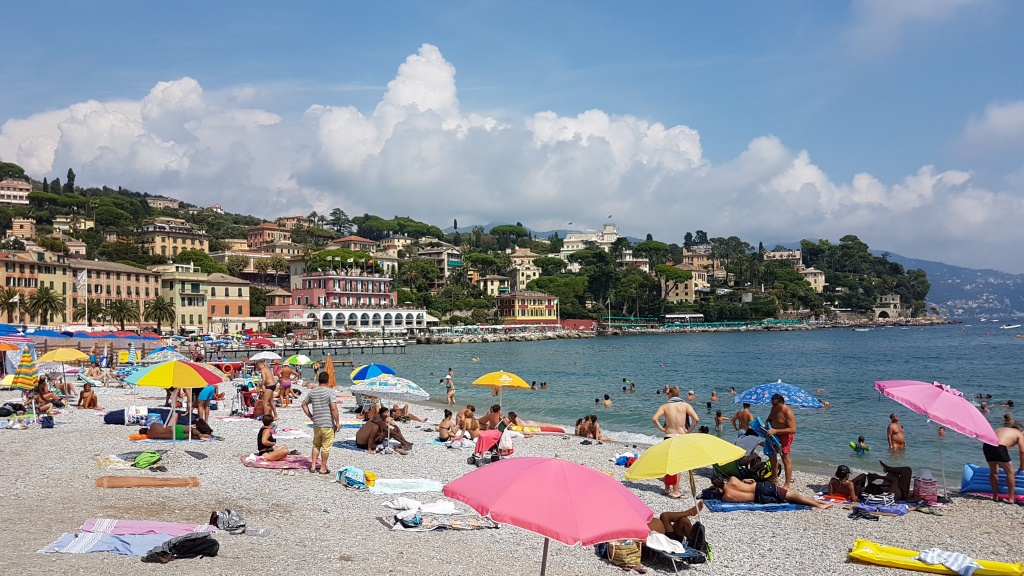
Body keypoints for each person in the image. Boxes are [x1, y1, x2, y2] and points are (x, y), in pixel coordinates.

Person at [652, 386, 699, 498]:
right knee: (677, 465)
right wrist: (688, 431)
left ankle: (667, 489)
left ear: (670, 395)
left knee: (668, 463)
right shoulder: (685, 405)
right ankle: (675, 491)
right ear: (679, 394)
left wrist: (662, 429)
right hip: (680, 436)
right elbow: (696, 419)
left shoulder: (665, 406)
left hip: (668, 435)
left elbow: (654, 419)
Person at [710, 476, 832, 509]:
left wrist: (720, 492)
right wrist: (744, 481)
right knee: (792, 495)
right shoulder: (732, 479)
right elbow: (738, 485)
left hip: (760, 499)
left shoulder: (726, 497)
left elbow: (734, 493)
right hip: (762, 487)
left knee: (789, 499)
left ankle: (817, 503)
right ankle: (819, 504)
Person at [302, 372, 339, 474]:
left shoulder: (312, 392)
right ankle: (323, 468)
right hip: (328, 424)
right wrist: (337, 422)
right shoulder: (330, 392)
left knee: (316, 445)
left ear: (319, 380)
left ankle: (313, 466)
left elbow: (303, 404)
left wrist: (310, 416)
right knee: (326, 447)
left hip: (317, 424)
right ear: (328, 380)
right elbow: (334, 408)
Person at [983, 426, 1024, 503]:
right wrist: (1022, 466)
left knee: (994, 472)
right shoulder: (1019, 433)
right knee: (1010, 472)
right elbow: (1022, 451)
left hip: (987, 445)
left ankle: (995, 496)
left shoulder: (1000, 429)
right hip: (1000, 446)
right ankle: (1012, 498)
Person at [766, 393, 796, 490]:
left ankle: (787, 484)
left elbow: (793, 429)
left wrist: (776, 431)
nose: (773, 406)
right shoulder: (773, 409)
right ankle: (775, 478)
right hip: (773, 434)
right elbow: (770, 418)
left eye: (775, 404)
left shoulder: (787, 412)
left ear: (782, 402)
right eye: (772, 404)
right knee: (772, 455)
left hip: (785, 435)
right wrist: (766, 423)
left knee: (785, 459)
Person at [140, 410, 210, 440]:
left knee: (191, 436)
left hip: (176, 437)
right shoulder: (153, 425)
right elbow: (163, 426)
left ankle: (200, 437)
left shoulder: (150, 437)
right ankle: (200, 434)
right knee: (192, 429)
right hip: (173, 429)